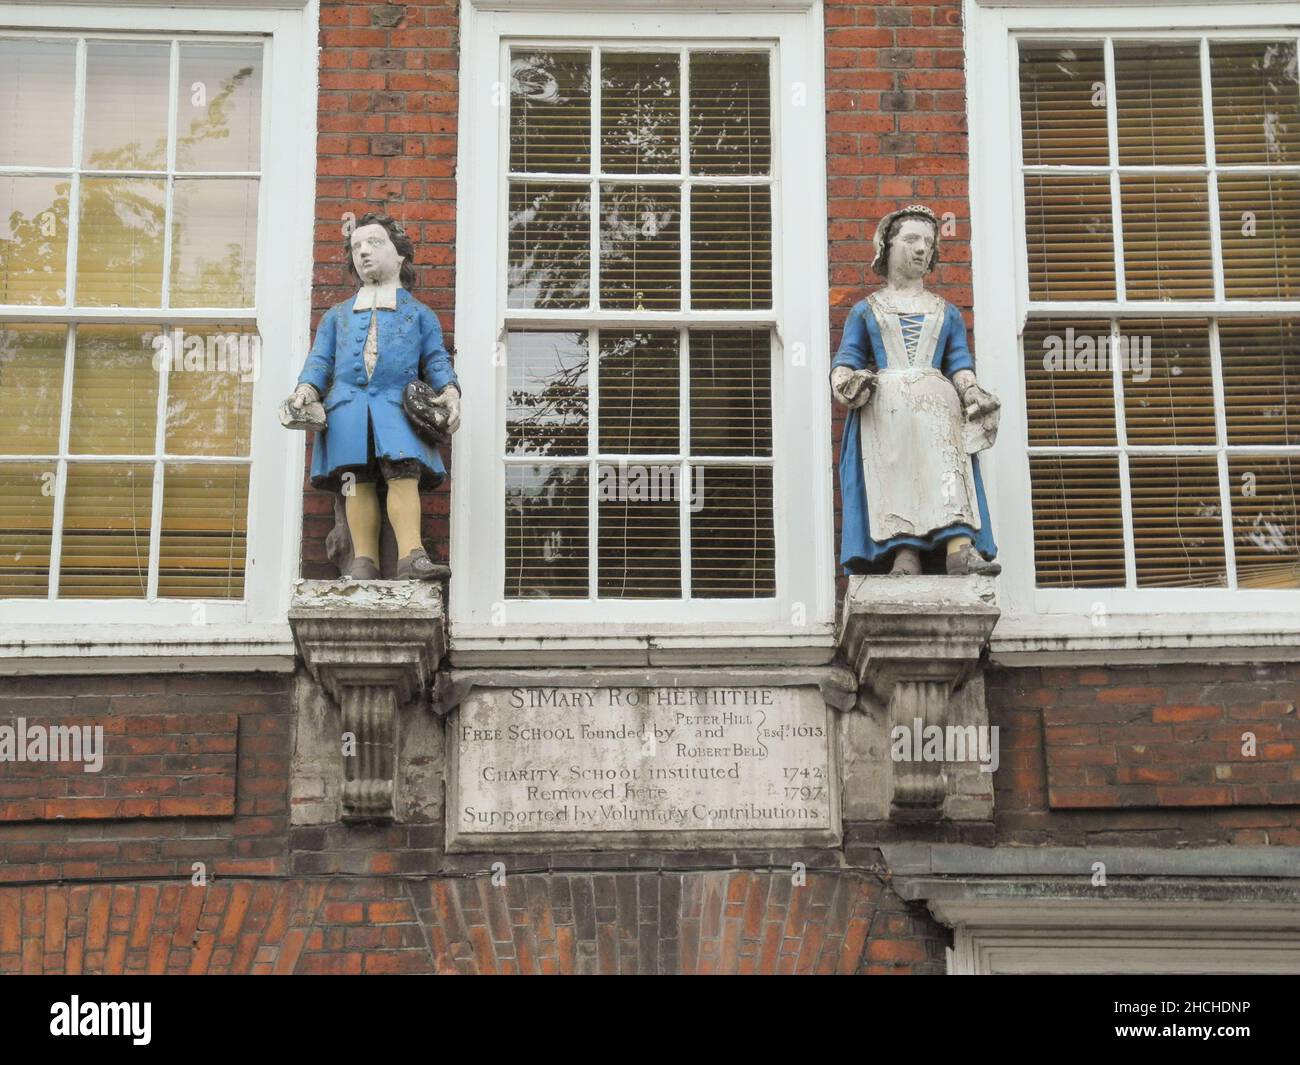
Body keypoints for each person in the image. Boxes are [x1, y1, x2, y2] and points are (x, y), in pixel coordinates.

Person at [285, 213, 461, 580]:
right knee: (356, 479)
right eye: (356, 247)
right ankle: (363, 560)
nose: (363, 252)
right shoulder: (336, 316)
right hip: (347, 407)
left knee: (403, 474)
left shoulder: (420, 315)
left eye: (375, 243)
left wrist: (449, 391)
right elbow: (320, 360)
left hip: (397, 407)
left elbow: (435, 359)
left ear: (400, 255)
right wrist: (306, 388)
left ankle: (412, 555)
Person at [830, 204, 1001, 577]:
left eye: (928, 241)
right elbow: (846, 359)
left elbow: (958, 363)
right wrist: (848, 383)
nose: (921, 249)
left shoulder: (946, 312)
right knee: (896, 473)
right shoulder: (866, 310)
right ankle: (903, 554)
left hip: (938, 405)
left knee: (948, 472)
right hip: (887, 405)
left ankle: (959, 549)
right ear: (887, 247)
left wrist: (972, 392)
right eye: (911, 239)